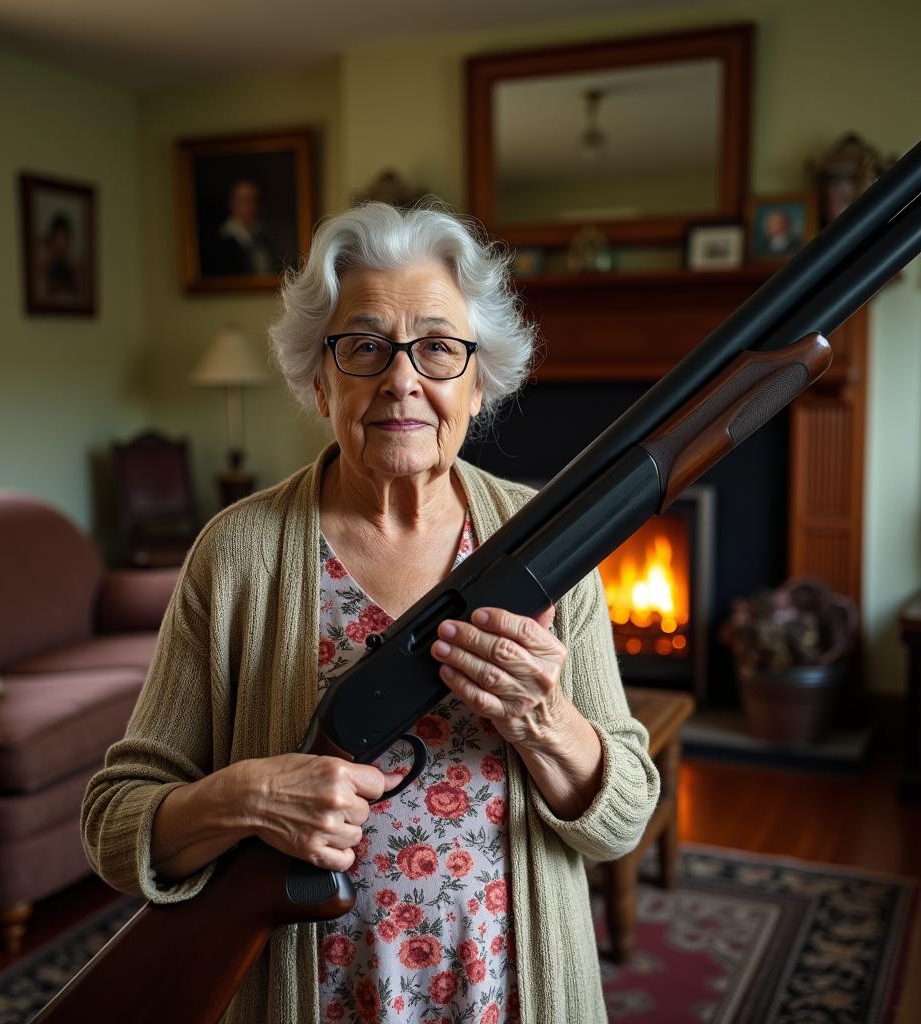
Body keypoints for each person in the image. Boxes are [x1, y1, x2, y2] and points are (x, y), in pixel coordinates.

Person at [82, 203, 660, 1023]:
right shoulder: (237, 552)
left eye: (437, 347)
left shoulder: (554, 544)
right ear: (320, 381)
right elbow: (115, 820)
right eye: (364, 347)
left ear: (479, 378)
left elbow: (624, 818)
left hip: (507, 991)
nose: (401, 379)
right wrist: (244, 798)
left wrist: (545, 718)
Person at [208, 178, 283, 275]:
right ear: (232, 204)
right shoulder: (222, 239)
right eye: (244, 200)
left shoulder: (264, 235)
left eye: (254, 200)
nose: (250, 206)